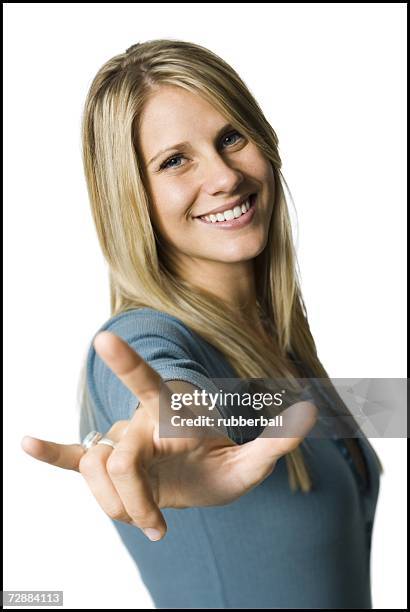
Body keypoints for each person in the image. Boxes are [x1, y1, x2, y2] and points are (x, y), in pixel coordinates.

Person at [21, 39, 383, 609]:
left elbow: (371, 408)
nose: (223, 175)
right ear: (131, 196)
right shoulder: (140, 338)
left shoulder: (272, 341)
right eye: (174, 160)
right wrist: (170, 414)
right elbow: (169, 398)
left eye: (231, 138)